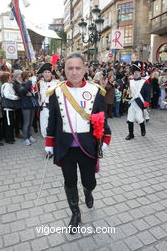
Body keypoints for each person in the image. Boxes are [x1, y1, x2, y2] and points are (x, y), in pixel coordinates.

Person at [45, 52, 111, 234]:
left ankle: (88, 191)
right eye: (70, 68)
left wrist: (105, 137)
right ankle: (75, 213)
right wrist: (49, 142)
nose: (74, 72)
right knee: (69, 181)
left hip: (87, 146)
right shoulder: (56, 91)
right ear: (64, 70)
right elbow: (53, 120)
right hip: (65, 147)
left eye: (78, 68)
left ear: (85, 70)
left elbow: (102, 118)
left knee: (89, 182)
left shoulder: (96, 91)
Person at [125, 61, 151, 140]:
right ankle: (131, 134)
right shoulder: (130, 82)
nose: (136, 73)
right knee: (130, 118)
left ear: (140, 72)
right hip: (132, 102)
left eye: (137, 72)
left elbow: (148, 94)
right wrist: (128, 92)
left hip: (140, 103)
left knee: (139, 118)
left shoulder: (145, 82)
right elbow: (129, 92)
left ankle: (143, 129)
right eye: (134, 72)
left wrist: (147, 101)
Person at [37, 63, 59, 138]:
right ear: (42, 74)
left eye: (49, 72)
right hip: (43, 108)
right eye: (45, 72)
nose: (47, 74)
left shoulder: (57, 83)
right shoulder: (39, 83)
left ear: (51, 73)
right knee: (43, 127)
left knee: (54, 126)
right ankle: (47, 143)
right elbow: (37, 95)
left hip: (53, 108)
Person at [18, 71, 39, 146]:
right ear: (24, 77)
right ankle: (25, 138)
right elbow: (24, 91)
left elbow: (34, 93)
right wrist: (29, 82)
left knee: (30, 122)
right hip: (25, 106)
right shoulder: (21, 84)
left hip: (32, 105)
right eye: (28, 76)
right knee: (26, 122)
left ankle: (29, 136)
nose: (30, 77)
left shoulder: (31, 84)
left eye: (31, 76)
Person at [1, 73, 20, 144]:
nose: (11, 78)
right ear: (7, 78)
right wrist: (16, 97)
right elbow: (7, 95)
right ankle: (9, 139)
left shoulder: (6, 85)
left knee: (10, 123)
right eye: (10, 77)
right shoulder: (7, 85)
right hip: (8, 108)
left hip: (9, 108)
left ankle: (10, 138)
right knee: (9, 124)